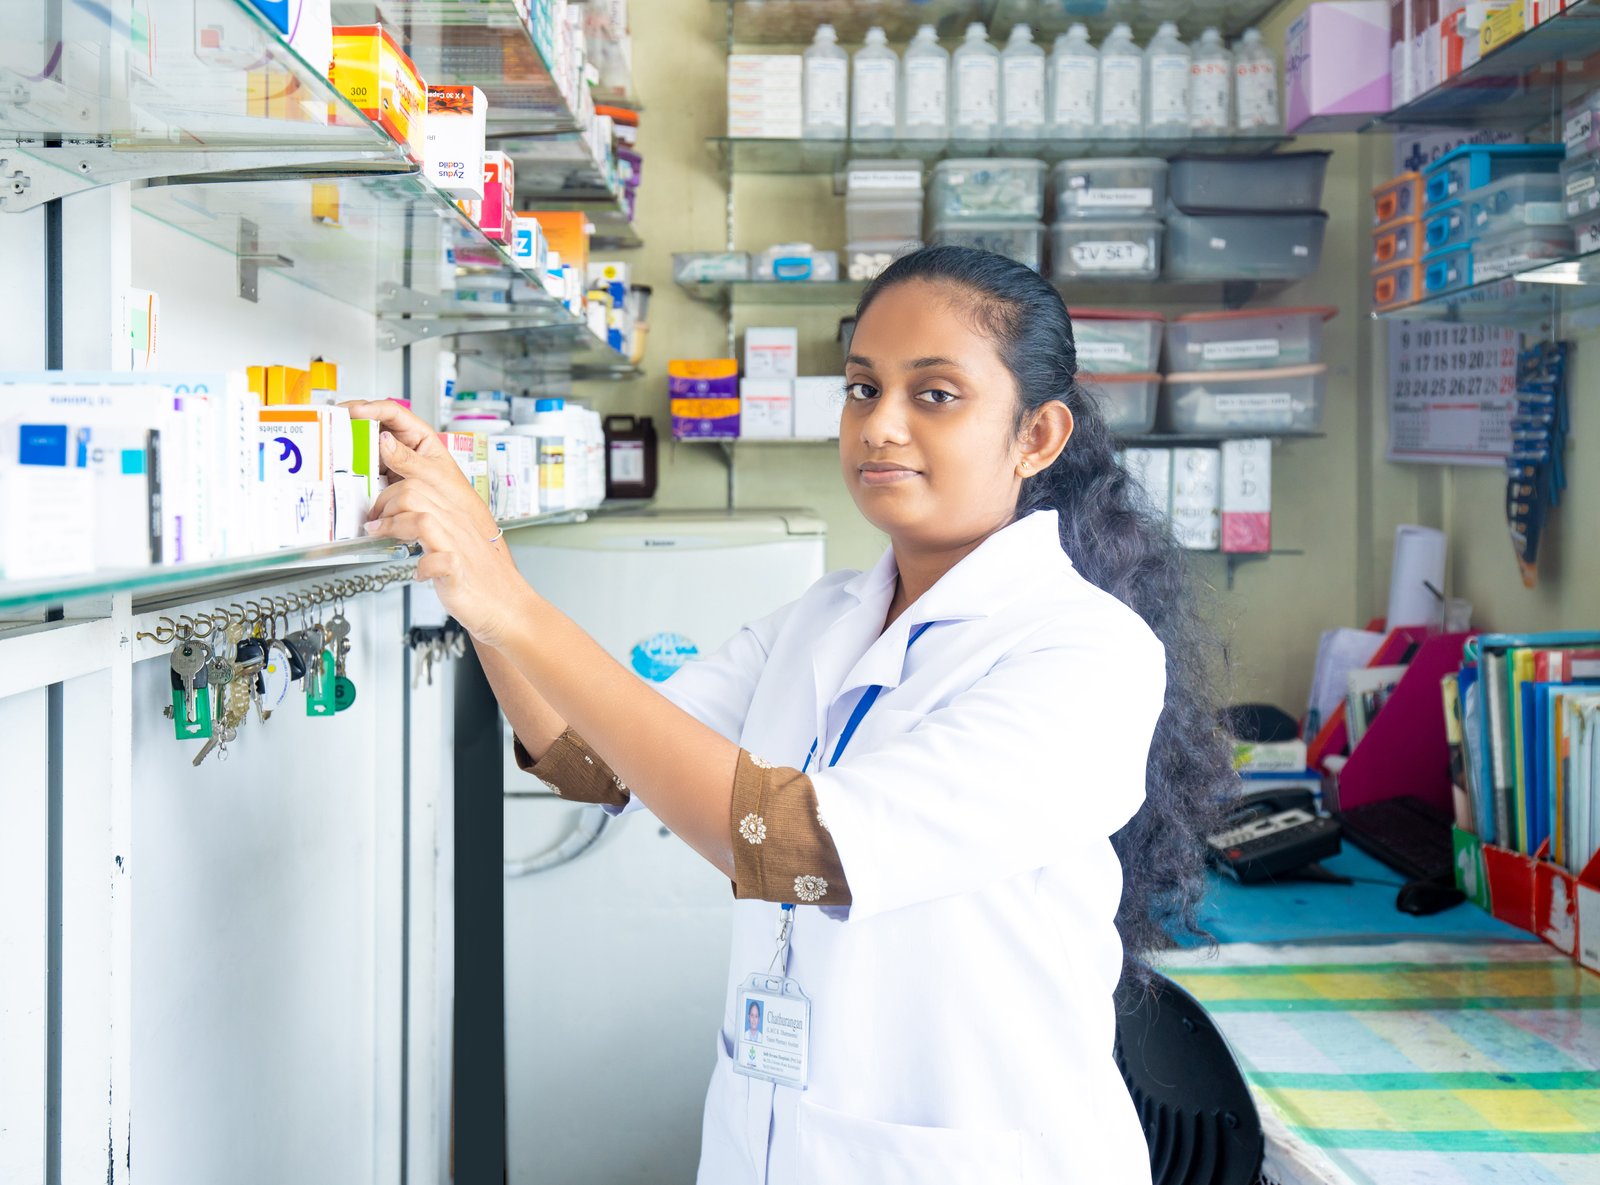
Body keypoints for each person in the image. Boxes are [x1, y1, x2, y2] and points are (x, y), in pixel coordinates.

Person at [348, 245, 1232, 1185]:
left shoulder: (1084, 651)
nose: (881, 425)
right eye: (861, 389)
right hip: (774, 1141)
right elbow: (590, 763)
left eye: (935, 394)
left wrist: (514, 596)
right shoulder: (825, 616)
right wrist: (476, 591)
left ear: (1037, 436)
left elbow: (802, 849)